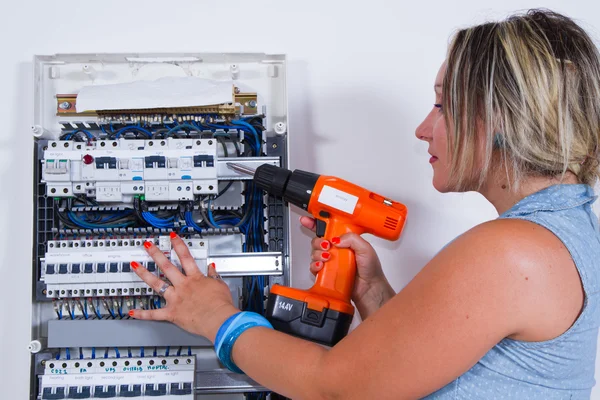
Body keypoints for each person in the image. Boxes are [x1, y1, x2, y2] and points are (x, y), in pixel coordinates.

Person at [127, 9, 600, 399]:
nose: (423, 128)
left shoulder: (514, 252)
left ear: (497, 116)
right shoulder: (567, 227)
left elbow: (336, 387)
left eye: (442, 105)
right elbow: (428, 368)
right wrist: (373, 293)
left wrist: (215, 318)